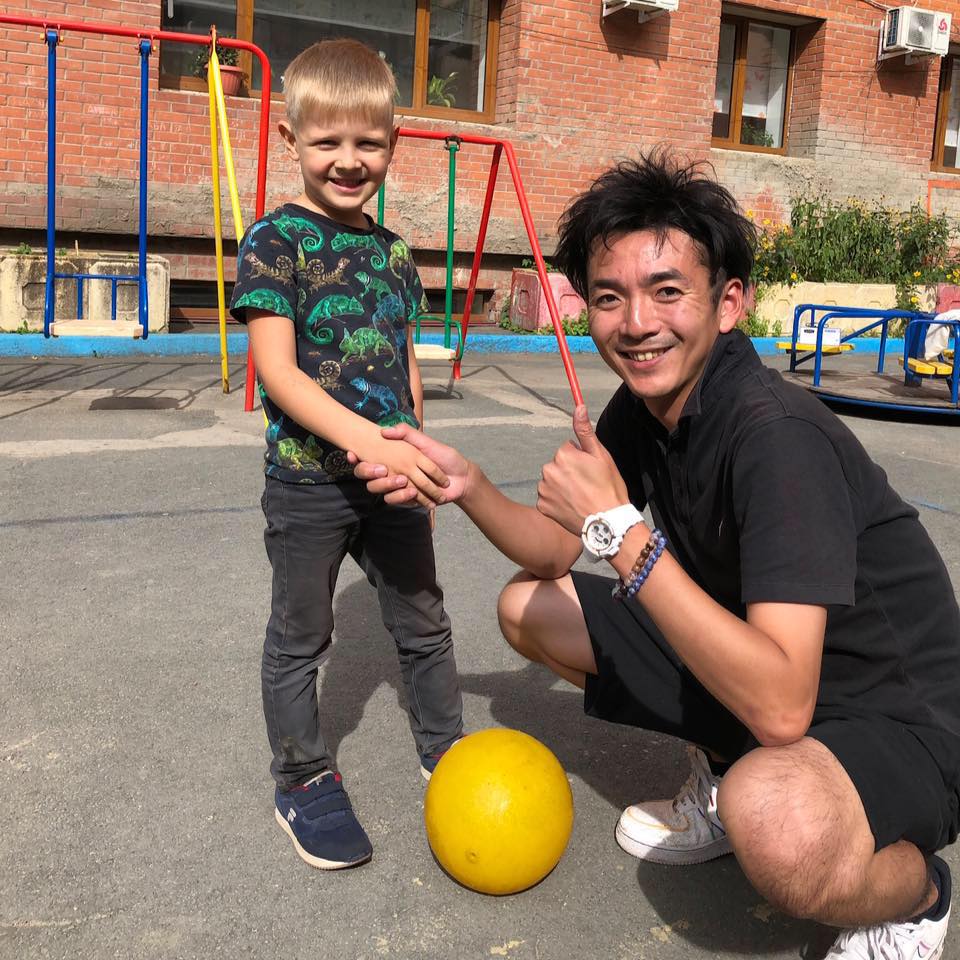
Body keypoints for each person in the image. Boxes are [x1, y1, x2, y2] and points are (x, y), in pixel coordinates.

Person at [352, 152, 959, 957]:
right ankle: (729, 764)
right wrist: (467, 484)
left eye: (667, 291)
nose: (637, 323)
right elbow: (553, 551)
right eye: (610, 297)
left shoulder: (776, 438)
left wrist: (621, 532)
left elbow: (784, 705)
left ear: (729, 302)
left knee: (774, 819)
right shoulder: (651, 406)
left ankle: (916, 897)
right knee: (529, 607)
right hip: (775, 674)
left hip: (900, 717)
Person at [229, 38, 463, 872]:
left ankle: (447, 749)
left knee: (425, 623)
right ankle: (301, 776)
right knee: (302, 637)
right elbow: (278, 373)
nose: (349, 160)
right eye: (327, 141)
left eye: (368, 142)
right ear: (291, 139)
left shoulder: (394, 253)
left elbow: (404, 365)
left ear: (392, 143)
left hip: (392, 480)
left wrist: (414, 453)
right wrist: (366, 441)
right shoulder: (275, 241)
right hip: (308, 484)